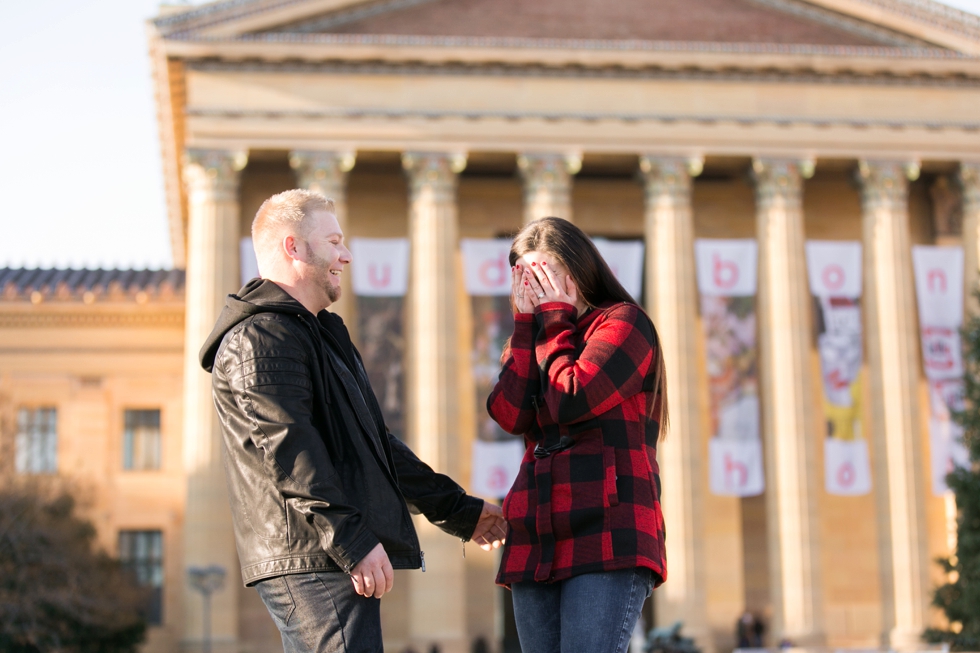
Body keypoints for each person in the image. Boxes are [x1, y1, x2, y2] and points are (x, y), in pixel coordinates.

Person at [200, 189, 507, 652]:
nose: (345, 255)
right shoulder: (261, 337)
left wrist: (458, 510)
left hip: (324, 554)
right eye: (335, 241)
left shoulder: (314, 336)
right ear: (294, 247)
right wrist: (351, 541)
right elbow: (290, 449)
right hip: (313, 557)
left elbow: (373, 447)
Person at [487, 217, 668, 653]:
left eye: (545, 273)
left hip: (607, 525)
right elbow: (508, 414)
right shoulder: (535, 339)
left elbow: (572, 396)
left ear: (577, 272)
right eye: (525, 275)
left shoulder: (624, 324)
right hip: (536, 530)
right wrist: (527, 327)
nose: (536, 284)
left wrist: (553, 321)